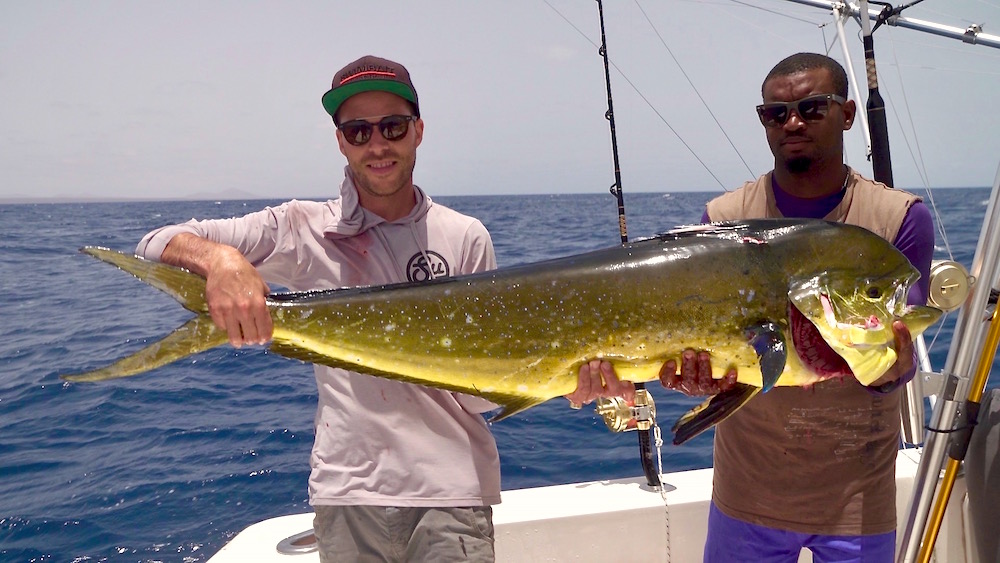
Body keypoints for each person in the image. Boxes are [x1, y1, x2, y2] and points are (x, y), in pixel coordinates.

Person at [568, 52, 935, 562]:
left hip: (857, 499)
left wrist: (896, 365)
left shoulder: (898, 218)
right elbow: (711, 357)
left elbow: (897, 348)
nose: (792, 122)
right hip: (749, 497)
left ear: (848, 114)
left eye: (811, 107)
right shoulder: (722, 219)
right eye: (775, 113)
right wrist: (700, 379)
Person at [136, 55, 501, 562]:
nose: (377, 144)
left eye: (392, 127)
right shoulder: (299, 227)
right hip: (346, 493)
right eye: (357, 131)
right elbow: (155, 243)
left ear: (418, 131)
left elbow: (480, 395)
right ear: (340, 141)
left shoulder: (465, 236)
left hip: (452, 494)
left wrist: (566, 379)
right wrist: (220, 260)